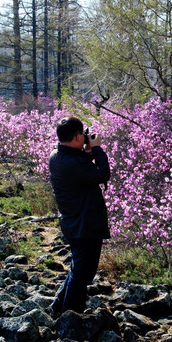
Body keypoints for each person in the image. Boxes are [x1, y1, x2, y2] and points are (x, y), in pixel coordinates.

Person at [48, 116, 111, 314]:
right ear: (76, 136)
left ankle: (57, 308)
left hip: (73, 222)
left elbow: (80, 168)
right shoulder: (74, 163)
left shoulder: (56, 155)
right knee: (83, 273)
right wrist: (97, 148)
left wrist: (86, 152)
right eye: (82, 134)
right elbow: (103, 174)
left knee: (78, 269)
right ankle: (70, 317)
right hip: (85, 224)